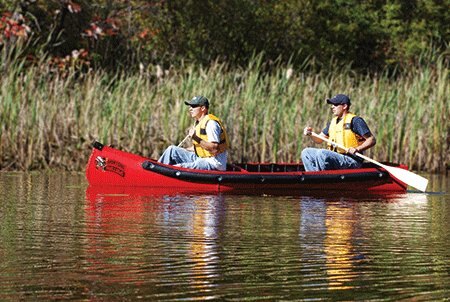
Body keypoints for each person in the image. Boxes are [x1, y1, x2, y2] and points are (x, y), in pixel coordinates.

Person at [301, 94, 376, 171]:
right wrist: (311, 134)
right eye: (332, 105)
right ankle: (314, 179)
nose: (332, 107)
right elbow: (319, 140)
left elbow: (371, 140)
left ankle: (322, 179)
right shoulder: (333, 122)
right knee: (306, 153)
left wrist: (357, 149)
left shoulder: (355, 121)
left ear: (344, 106)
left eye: (336, 104)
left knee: (322, 154)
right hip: (337, 158)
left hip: (352, 160)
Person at [158, 95, 229, 171]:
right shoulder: (199, 123)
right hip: (201, 158)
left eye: (193, 106)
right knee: (172, 150)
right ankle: (156, 171)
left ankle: (162, 174)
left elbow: (214, 149)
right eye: (190, 106)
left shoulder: (211, 124)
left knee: (178, 167)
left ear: (203, 108)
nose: (190, 109)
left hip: (213, 164)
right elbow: (200, 148)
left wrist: (195, 137)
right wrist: (183, 150)